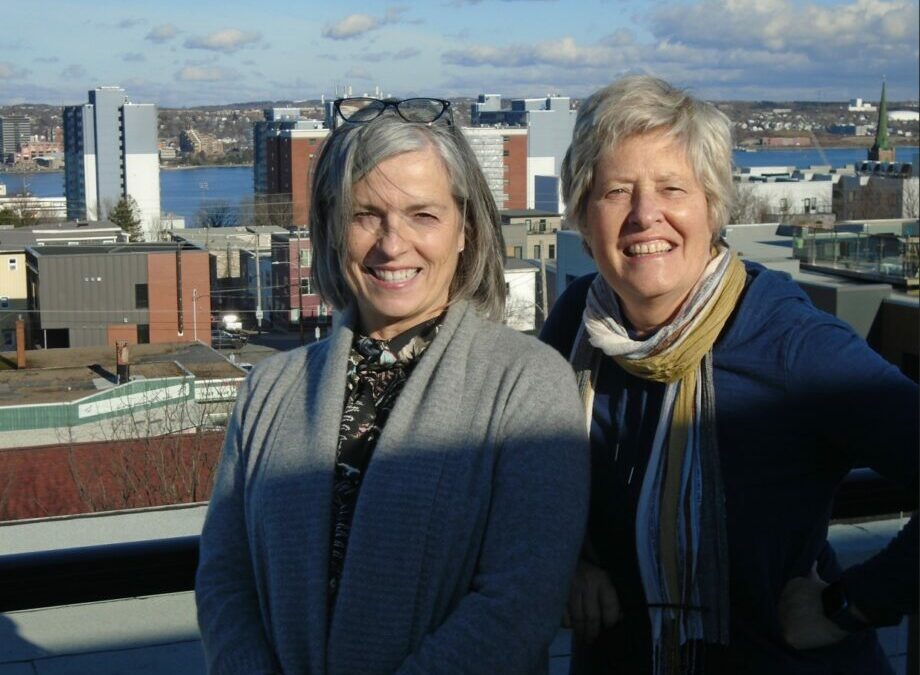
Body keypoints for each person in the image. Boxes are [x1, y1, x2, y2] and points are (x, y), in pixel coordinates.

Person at [196, 97, 590, 675]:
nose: (391, 243)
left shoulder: (526, 385)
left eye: (422, 215)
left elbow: (519, 603)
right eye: (365, 215)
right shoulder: (269, 390)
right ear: (332, 231)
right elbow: (225, 578)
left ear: (466, 230)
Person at [540, 76, 918, 674]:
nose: (645, 215)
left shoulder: (793, 345)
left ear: (714, 207)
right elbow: (530, 474)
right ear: (583, 215)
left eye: (672, 188)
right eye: (616, 191)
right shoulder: (577, 324)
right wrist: (567, 560)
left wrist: (851, 605)